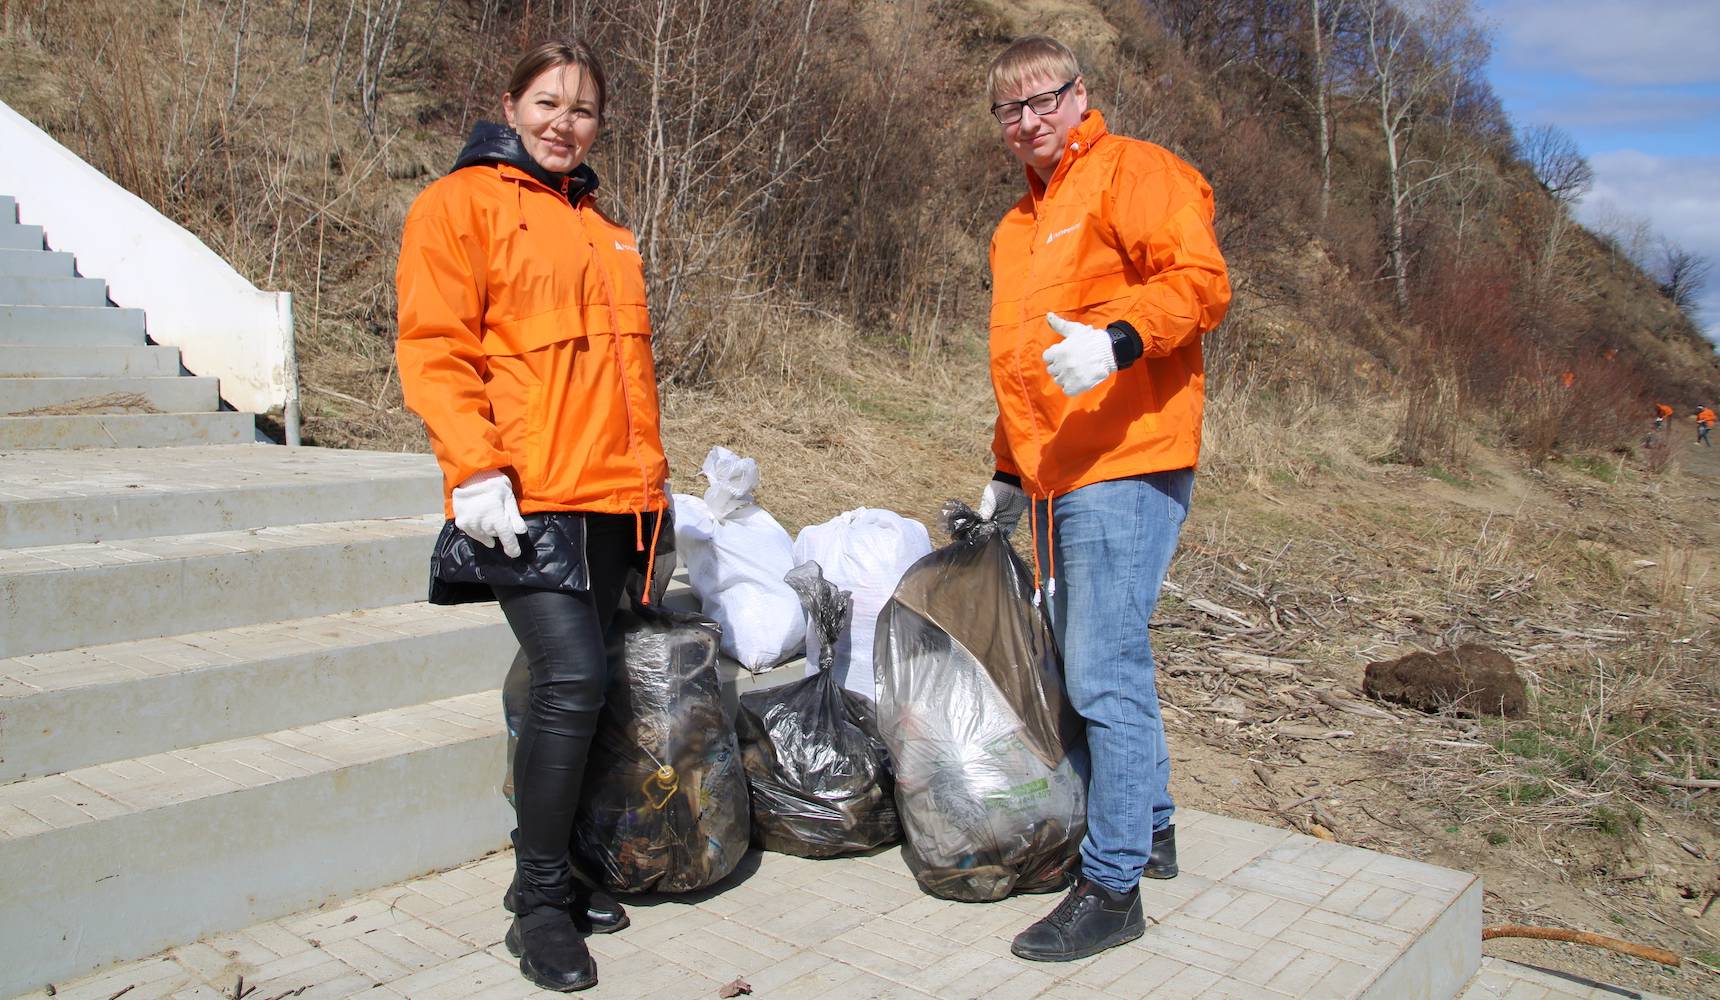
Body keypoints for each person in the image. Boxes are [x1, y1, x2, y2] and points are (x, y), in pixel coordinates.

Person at [395, 39, 672, 993]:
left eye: (584, 108)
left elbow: (631, 382)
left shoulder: (604, 224)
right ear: (508, 104)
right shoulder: (457, 206)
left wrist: (654, 501)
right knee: (571, 681)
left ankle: (569, 864)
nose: (565, 123)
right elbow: (436, 349)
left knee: (591, 694)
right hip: (525, 494)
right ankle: (538, 902)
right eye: (548, 102)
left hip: (612, 500)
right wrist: (473, 470)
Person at [972, 36, 1231, 962]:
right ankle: (1150, 825)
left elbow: (1201, 284)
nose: (1030, 120)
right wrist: (1006, 475)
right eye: (1011, 109)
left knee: (1100, 671)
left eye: (1047, 99)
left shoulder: (1136, 172)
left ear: (1083, 95)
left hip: (1129, 457)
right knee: (1104, 659)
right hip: (1053, 474)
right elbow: (1022, 372)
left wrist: (1121, 337)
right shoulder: (1014, 228)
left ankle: (1113, 886)